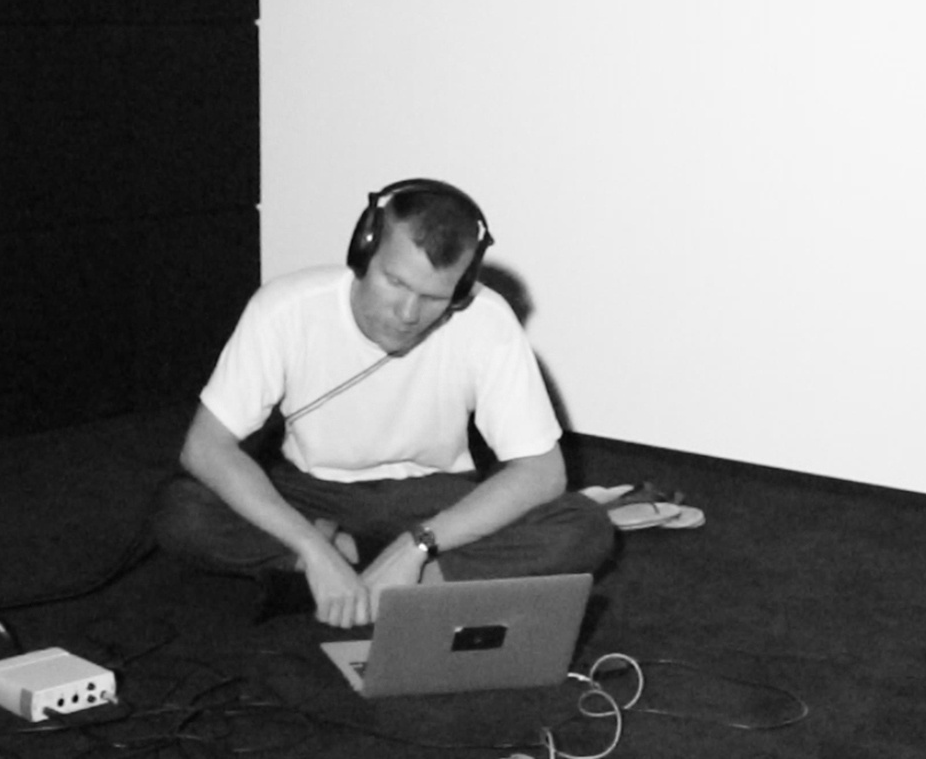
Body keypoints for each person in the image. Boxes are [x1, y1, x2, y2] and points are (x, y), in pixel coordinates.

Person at [149, 180, 612, 630]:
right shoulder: (285, 309)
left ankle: (363, 582)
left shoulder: (486, 320)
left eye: (433, 297)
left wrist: (417, 544)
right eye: (395, 282)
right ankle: (383, 580)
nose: (408, 313)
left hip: (431, 497)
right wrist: (313, 548)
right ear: (363, 253)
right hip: (313, 493)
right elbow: (205, 448)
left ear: (463, 286)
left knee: (583, 527)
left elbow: (542, 472)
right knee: (183, 511)